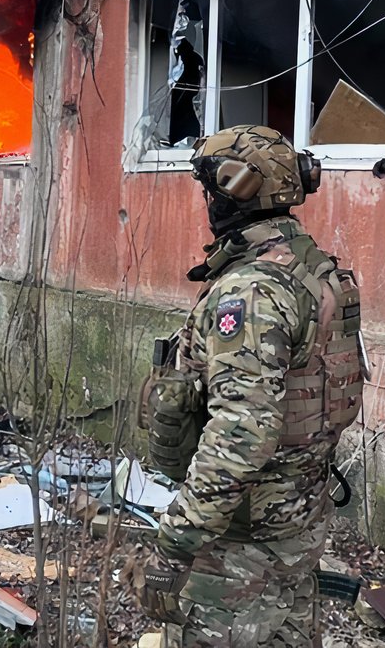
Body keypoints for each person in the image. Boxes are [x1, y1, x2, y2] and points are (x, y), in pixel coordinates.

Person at [136, 124, 364, 648]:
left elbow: (242, 435)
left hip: (242, 542)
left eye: (209, 190)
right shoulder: (316, 270)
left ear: (231, 192)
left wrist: (176, 544)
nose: (207, 204)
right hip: (296, 518)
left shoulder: (252, 290)